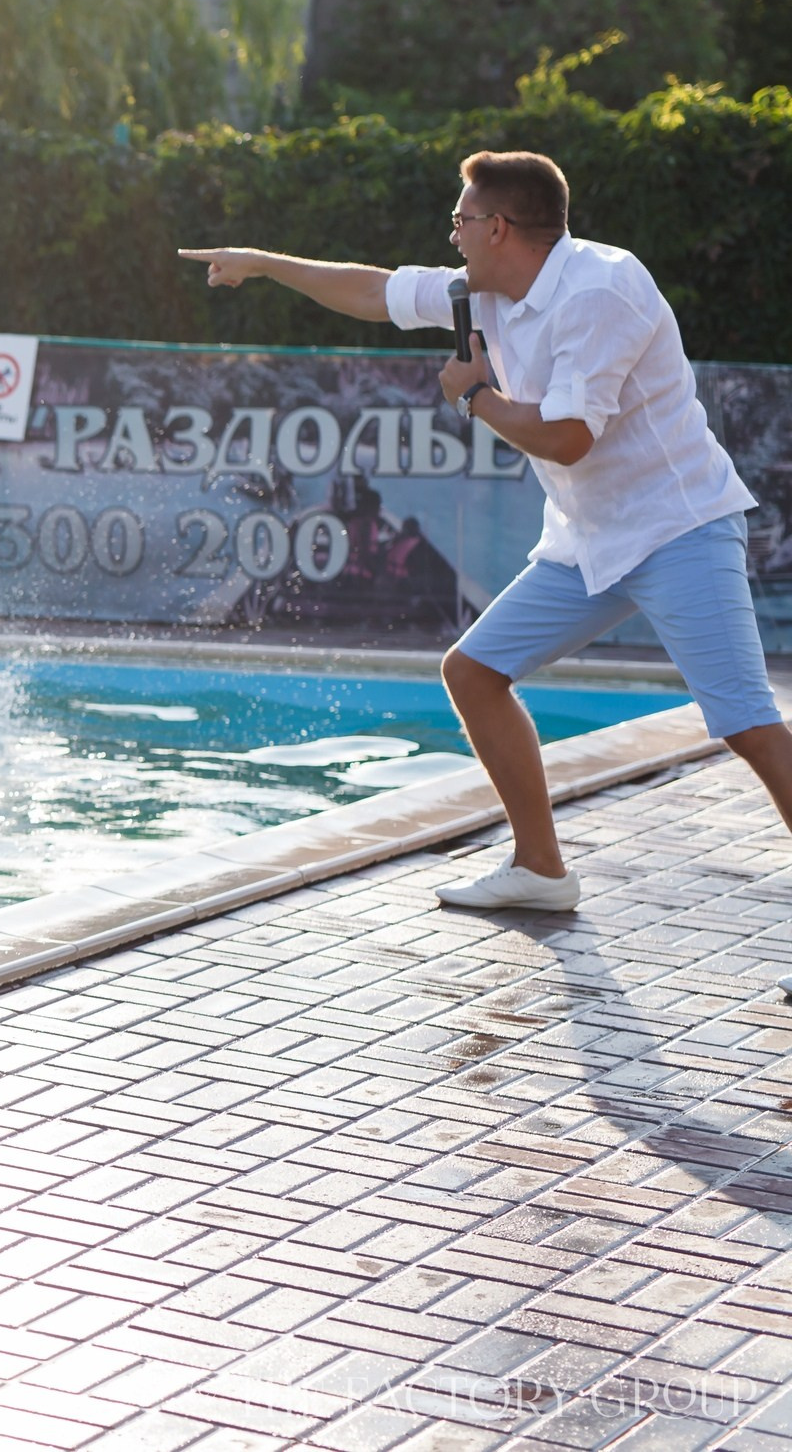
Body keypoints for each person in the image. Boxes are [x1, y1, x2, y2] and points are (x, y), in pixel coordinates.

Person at [180, 150, 792, 913]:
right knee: (473, 672)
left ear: (498, 226)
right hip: (586, 538)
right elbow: (376, 289)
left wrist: (476, 397)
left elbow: (570, 436)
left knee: (745, 723)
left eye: (461, 220)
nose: (454, 236)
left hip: (679, 528)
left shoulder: (603, 288)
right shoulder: (487, 290)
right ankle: (540, 869)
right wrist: (264, 263)